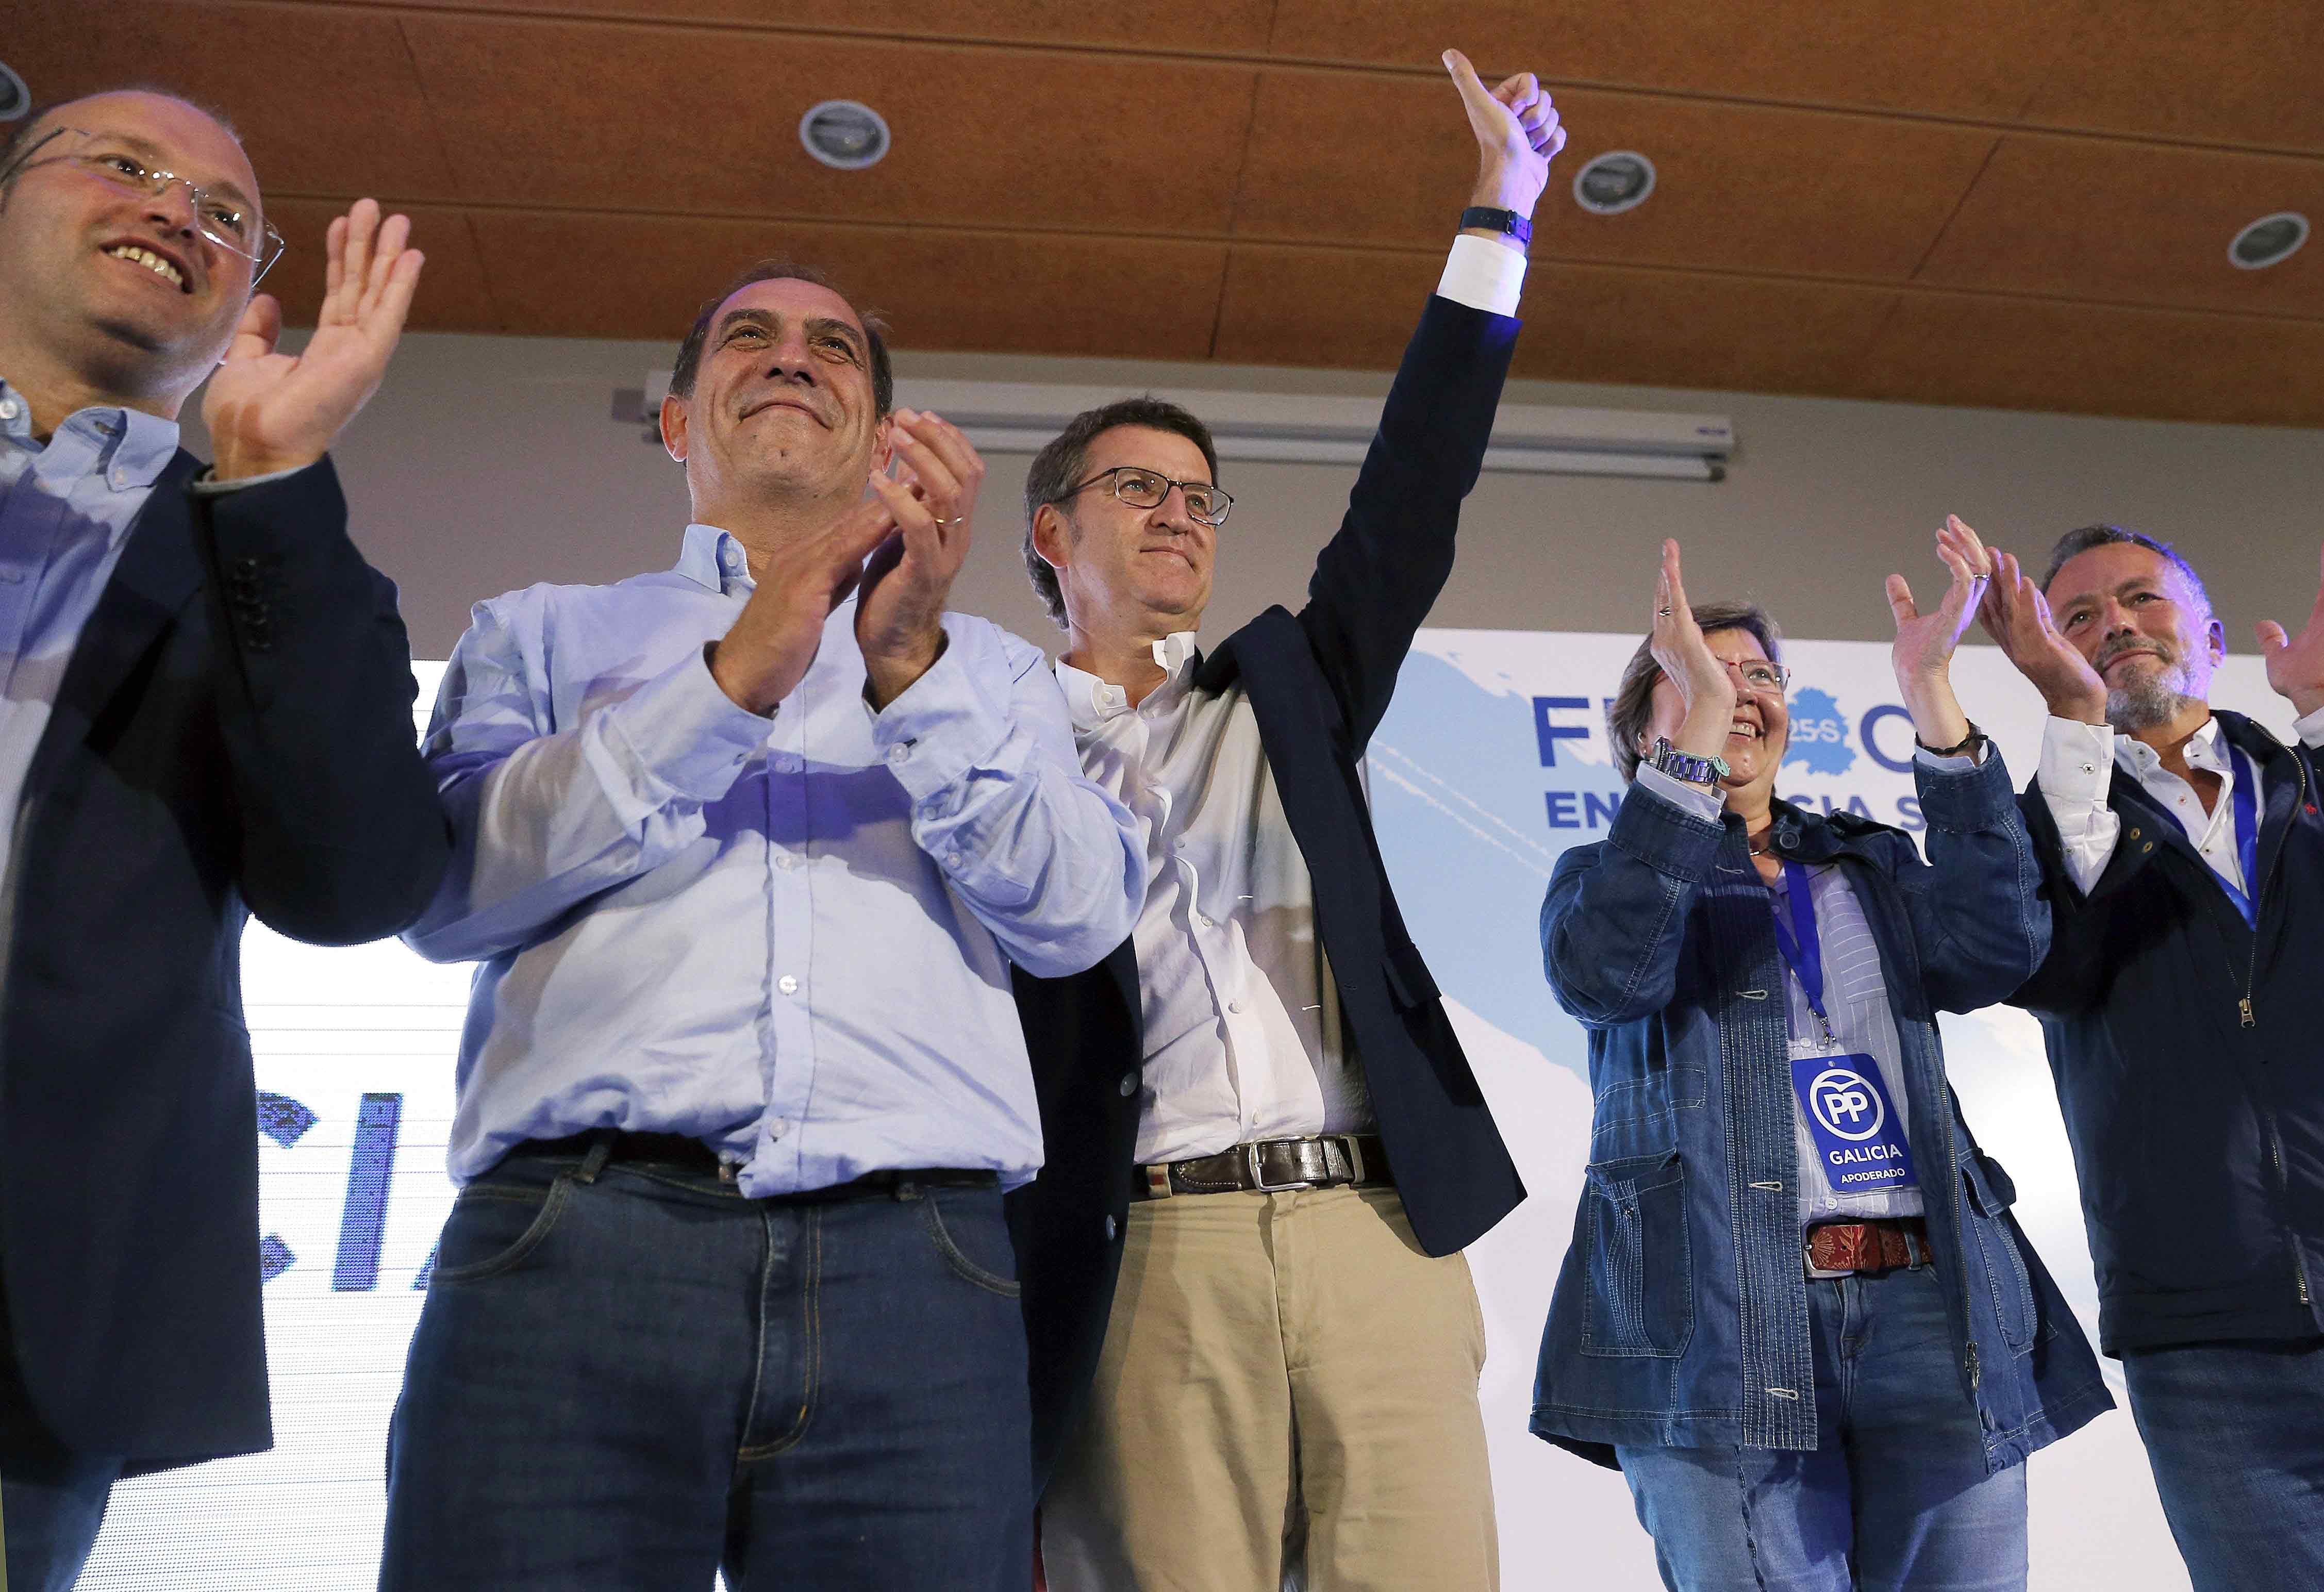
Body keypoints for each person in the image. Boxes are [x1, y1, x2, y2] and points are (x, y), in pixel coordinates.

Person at [379, 261, 1144, 1590]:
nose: (795, 357)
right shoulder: (540, 633)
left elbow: (1075, 922)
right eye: (751, 337)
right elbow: (445, 894)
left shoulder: (1000, 670)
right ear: (680, 421)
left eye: (834, 349)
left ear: (881, 432)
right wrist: (732, 680)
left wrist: (908, 672)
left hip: (918, 1272)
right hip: (577, 1247)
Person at [1010, 50, 1557, 1591]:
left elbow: (1412, 487)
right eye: (1136, 488)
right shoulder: (982, 744)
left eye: (1199, 495)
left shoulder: (1292, 692)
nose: (1179, 513)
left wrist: (1496, 211)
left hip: (1372, 1227)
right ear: (1050, 535)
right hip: (1144, 1257)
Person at [0, 89, 450, 1590]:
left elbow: (351, 886)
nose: (173, 212)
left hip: (28, 1300)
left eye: (224, 216)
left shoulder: (262, 555)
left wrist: (271, 489)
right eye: (123, 168)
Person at [1531, 523, 2110, 1591]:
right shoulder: (1599, 875)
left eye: (1759, 673)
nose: (1738, 688)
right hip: (1719, 1319)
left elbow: (2003, 945)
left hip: (1930, 1310)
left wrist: (1930, 688)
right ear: (1643, 723)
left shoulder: (1867, 861)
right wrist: (1695, 746)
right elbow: (1610, 975)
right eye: (1700, 672)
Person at [1978, 519, 2324, 1591]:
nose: (2115, 625)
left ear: (2213, 635)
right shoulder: (2046, 829)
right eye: (2077, 617)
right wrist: (2074, 721)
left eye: (2142, 598)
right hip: (2218, 1351)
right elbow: (2038, 966)